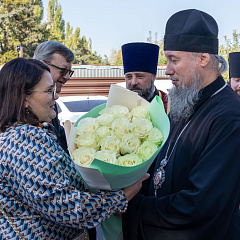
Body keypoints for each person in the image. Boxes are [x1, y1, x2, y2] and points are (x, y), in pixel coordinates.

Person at [122, 9, 240, 240]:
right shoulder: (185, 101)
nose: (167, 70)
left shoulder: (229, 116)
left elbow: (202, 204)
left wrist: (134, 206)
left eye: (174, 60)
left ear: (203, 59)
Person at [0, 58, 149, 240]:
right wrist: (121, 197)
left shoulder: (32, 132)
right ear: (23, 98)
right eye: (49, 90)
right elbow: (63, 206)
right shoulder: (21, 140)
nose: (56, 96)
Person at [33, 40, 74, 154]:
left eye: (69, 72)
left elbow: (60, 138)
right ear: (41, 65)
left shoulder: (52, 105)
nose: (67, 77)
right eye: (63, 70)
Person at [121, 42, 169, 113]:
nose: (133, 82)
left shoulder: (169, 104)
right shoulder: (118, 104)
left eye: (139, 76)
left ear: (153, 77)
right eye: (129, 77)